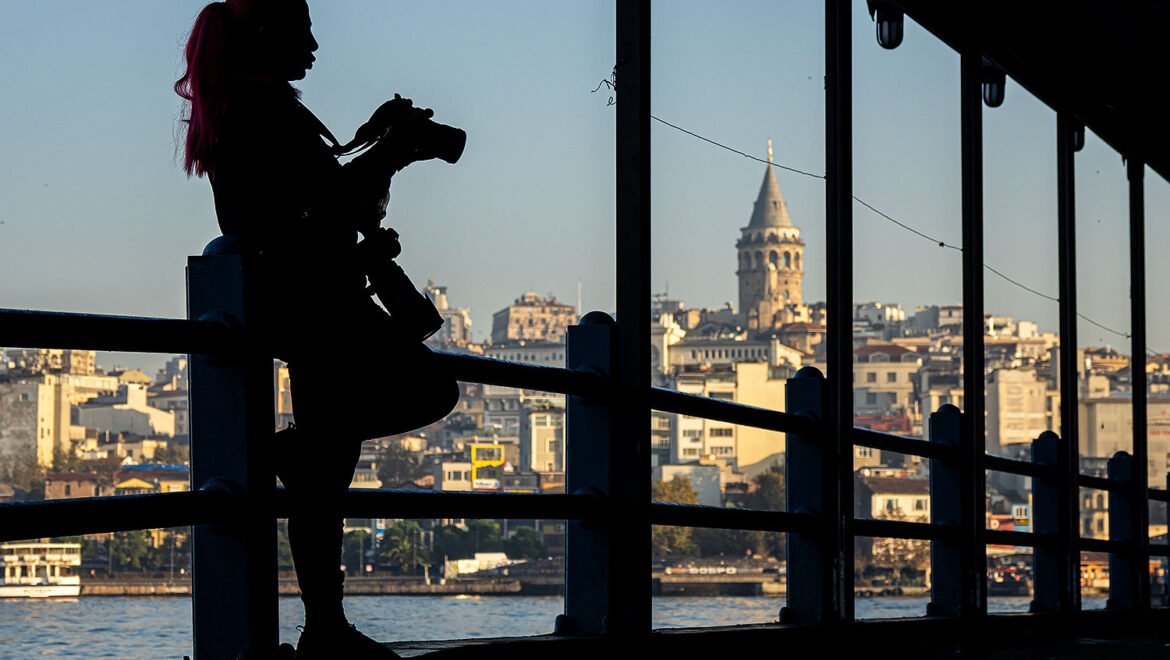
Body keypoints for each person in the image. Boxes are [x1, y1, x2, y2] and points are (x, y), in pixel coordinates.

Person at [175, 1, 459, 657]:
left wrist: (375, 150)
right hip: (314, 303)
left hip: (307, 301)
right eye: (300, 32)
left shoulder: (253, 107)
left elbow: (315, 202)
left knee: (326, 473)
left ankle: (325, 626)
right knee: (409, 403)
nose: (313, 46)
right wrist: (386, 152)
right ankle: (287, 467)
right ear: (267, 38)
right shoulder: (262, 112)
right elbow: (311, 209)